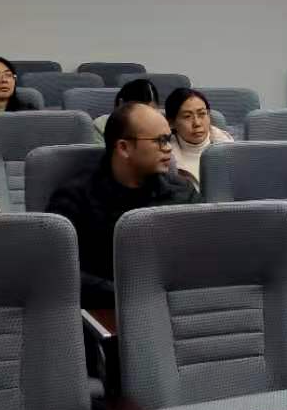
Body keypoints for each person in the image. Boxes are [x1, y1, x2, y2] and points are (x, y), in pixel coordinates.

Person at [46, 101, 199, 308]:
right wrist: (128, 294)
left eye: (169, 139)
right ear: (124, 148)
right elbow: (58, 271)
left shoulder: (183, 193)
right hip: (106, 308)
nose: (169, 148)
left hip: (177, 305)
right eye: (160, 141)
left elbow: (204, 254)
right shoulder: (75, 199)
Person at [166, 88, 234, 187]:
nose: (197, 123)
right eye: (187, 116)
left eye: (202, 114)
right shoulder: (165, 160)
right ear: (171, 123)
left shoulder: (231, 150)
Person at [93, 78, 161, 142]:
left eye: (152, 112)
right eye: (140, 112)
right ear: (121, 104)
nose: (146, 118)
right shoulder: (101, 125)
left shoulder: (161, 125)